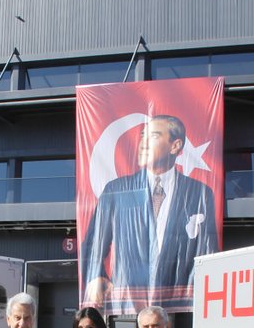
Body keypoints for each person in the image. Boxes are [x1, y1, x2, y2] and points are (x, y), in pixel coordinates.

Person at [81, 114, 218, 312]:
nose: (143, 143)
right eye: (142, 135)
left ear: (175, 146)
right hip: (128, 301)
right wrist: (95, 275)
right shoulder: (117, 190)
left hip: (179, 302)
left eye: (153, 136)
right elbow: (94, 241)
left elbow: (208, 250)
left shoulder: (199, 193)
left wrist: (204, 292)